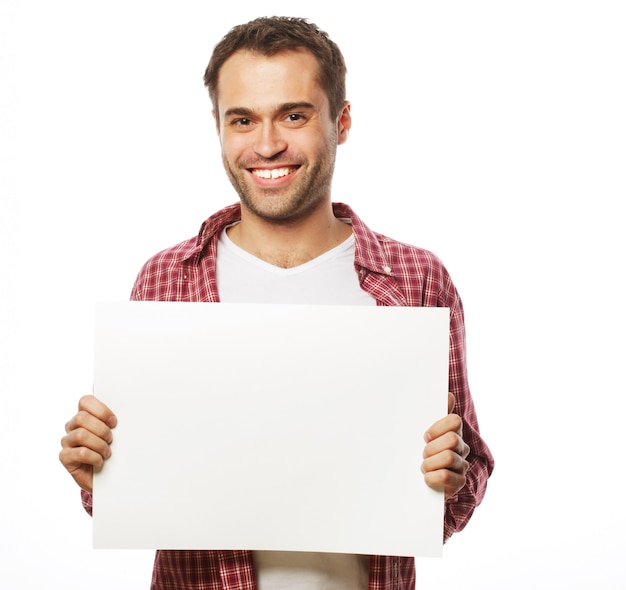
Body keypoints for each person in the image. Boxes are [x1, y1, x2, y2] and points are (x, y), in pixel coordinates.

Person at [59, 16, 494, 590]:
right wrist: (96, 469)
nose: (267, 145)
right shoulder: (167, 279)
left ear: (341, 121)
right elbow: (133, 497)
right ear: (218, 127)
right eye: (243, 120)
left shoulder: (417, 280)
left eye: (294, 114)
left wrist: (451, 474)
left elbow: (463, 487)